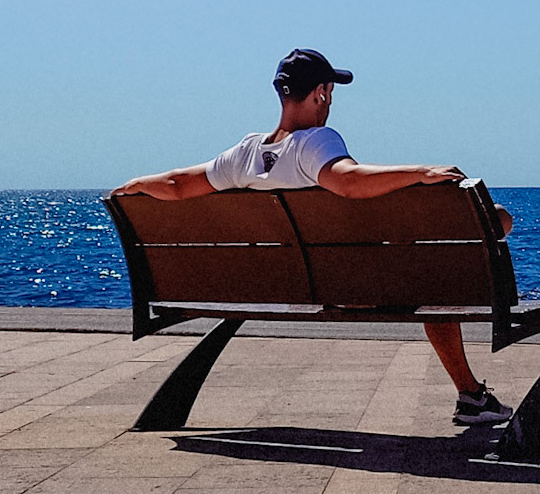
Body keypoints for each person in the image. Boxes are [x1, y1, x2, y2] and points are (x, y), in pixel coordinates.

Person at [111, 47, 513, 425]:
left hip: (275, 287)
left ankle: (471, 394)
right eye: (331, 91)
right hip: (353, 287)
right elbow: (349, 182)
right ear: (320, 93)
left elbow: (179, 185)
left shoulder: (244, 154)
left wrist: (136, 185)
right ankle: (470, 394)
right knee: (479, 235)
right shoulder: (316, 142)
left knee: (436, 255)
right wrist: (420, 172)